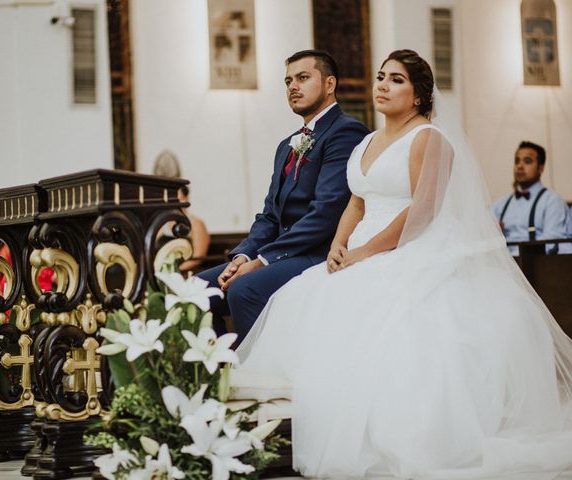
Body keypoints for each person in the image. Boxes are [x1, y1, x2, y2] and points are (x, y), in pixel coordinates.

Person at [236, 50, 572, 479]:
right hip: (358, 248)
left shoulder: (428, 138)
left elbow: (423, 211)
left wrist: (365, 252)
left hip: (411, 248)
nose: (382, 85)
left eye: (395, 80)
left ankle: (389, 437)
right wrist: (340, 246)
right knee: (303, 295)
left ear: (417, 96)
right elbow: (356, 201)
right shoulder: (366, 142)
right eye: (380, 77)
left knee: (389, 326)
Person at [198, 49, 369, 339]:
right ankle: (220, 373)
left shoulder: (346, 133)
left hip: (317, 253)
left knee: (243, 289)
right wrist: (242, 256)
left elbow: (325, 213)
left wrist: (262, 260)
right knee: (195, 291)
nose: (293, 86)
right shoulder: (286, 145)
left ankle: (260, 376)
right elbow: (269, 215)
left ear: (330, 84)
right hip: (279, 253)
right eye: (288, 80)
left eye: (303, 78)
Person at [492, 141, 570, 255]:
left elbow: (550, 243)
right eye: (517, 161)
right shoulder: (500, 205)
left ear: (541, 168)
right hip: (502, 266)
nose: (520, 166)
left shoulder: (553, 201)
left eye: (527, 161)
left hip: (538, 267)